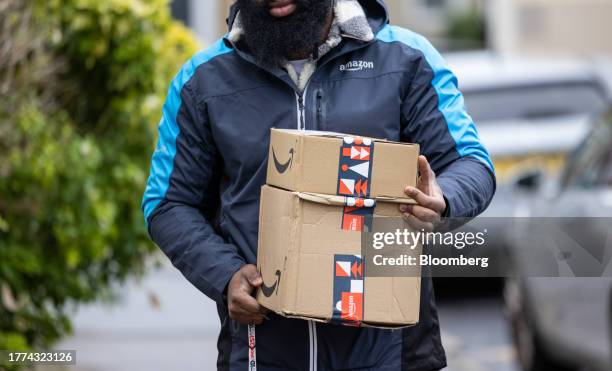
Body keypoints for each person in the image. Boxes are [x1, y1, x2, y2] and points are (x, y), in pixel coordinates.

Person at [142, 0, 496, 370]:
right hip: (259, 352)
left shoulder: (406, 59)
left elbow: (471, 164)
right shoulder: (202, 80)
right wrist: (225, 274)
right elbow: (167, 203)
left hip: (391, 353)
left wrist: (445, 198)